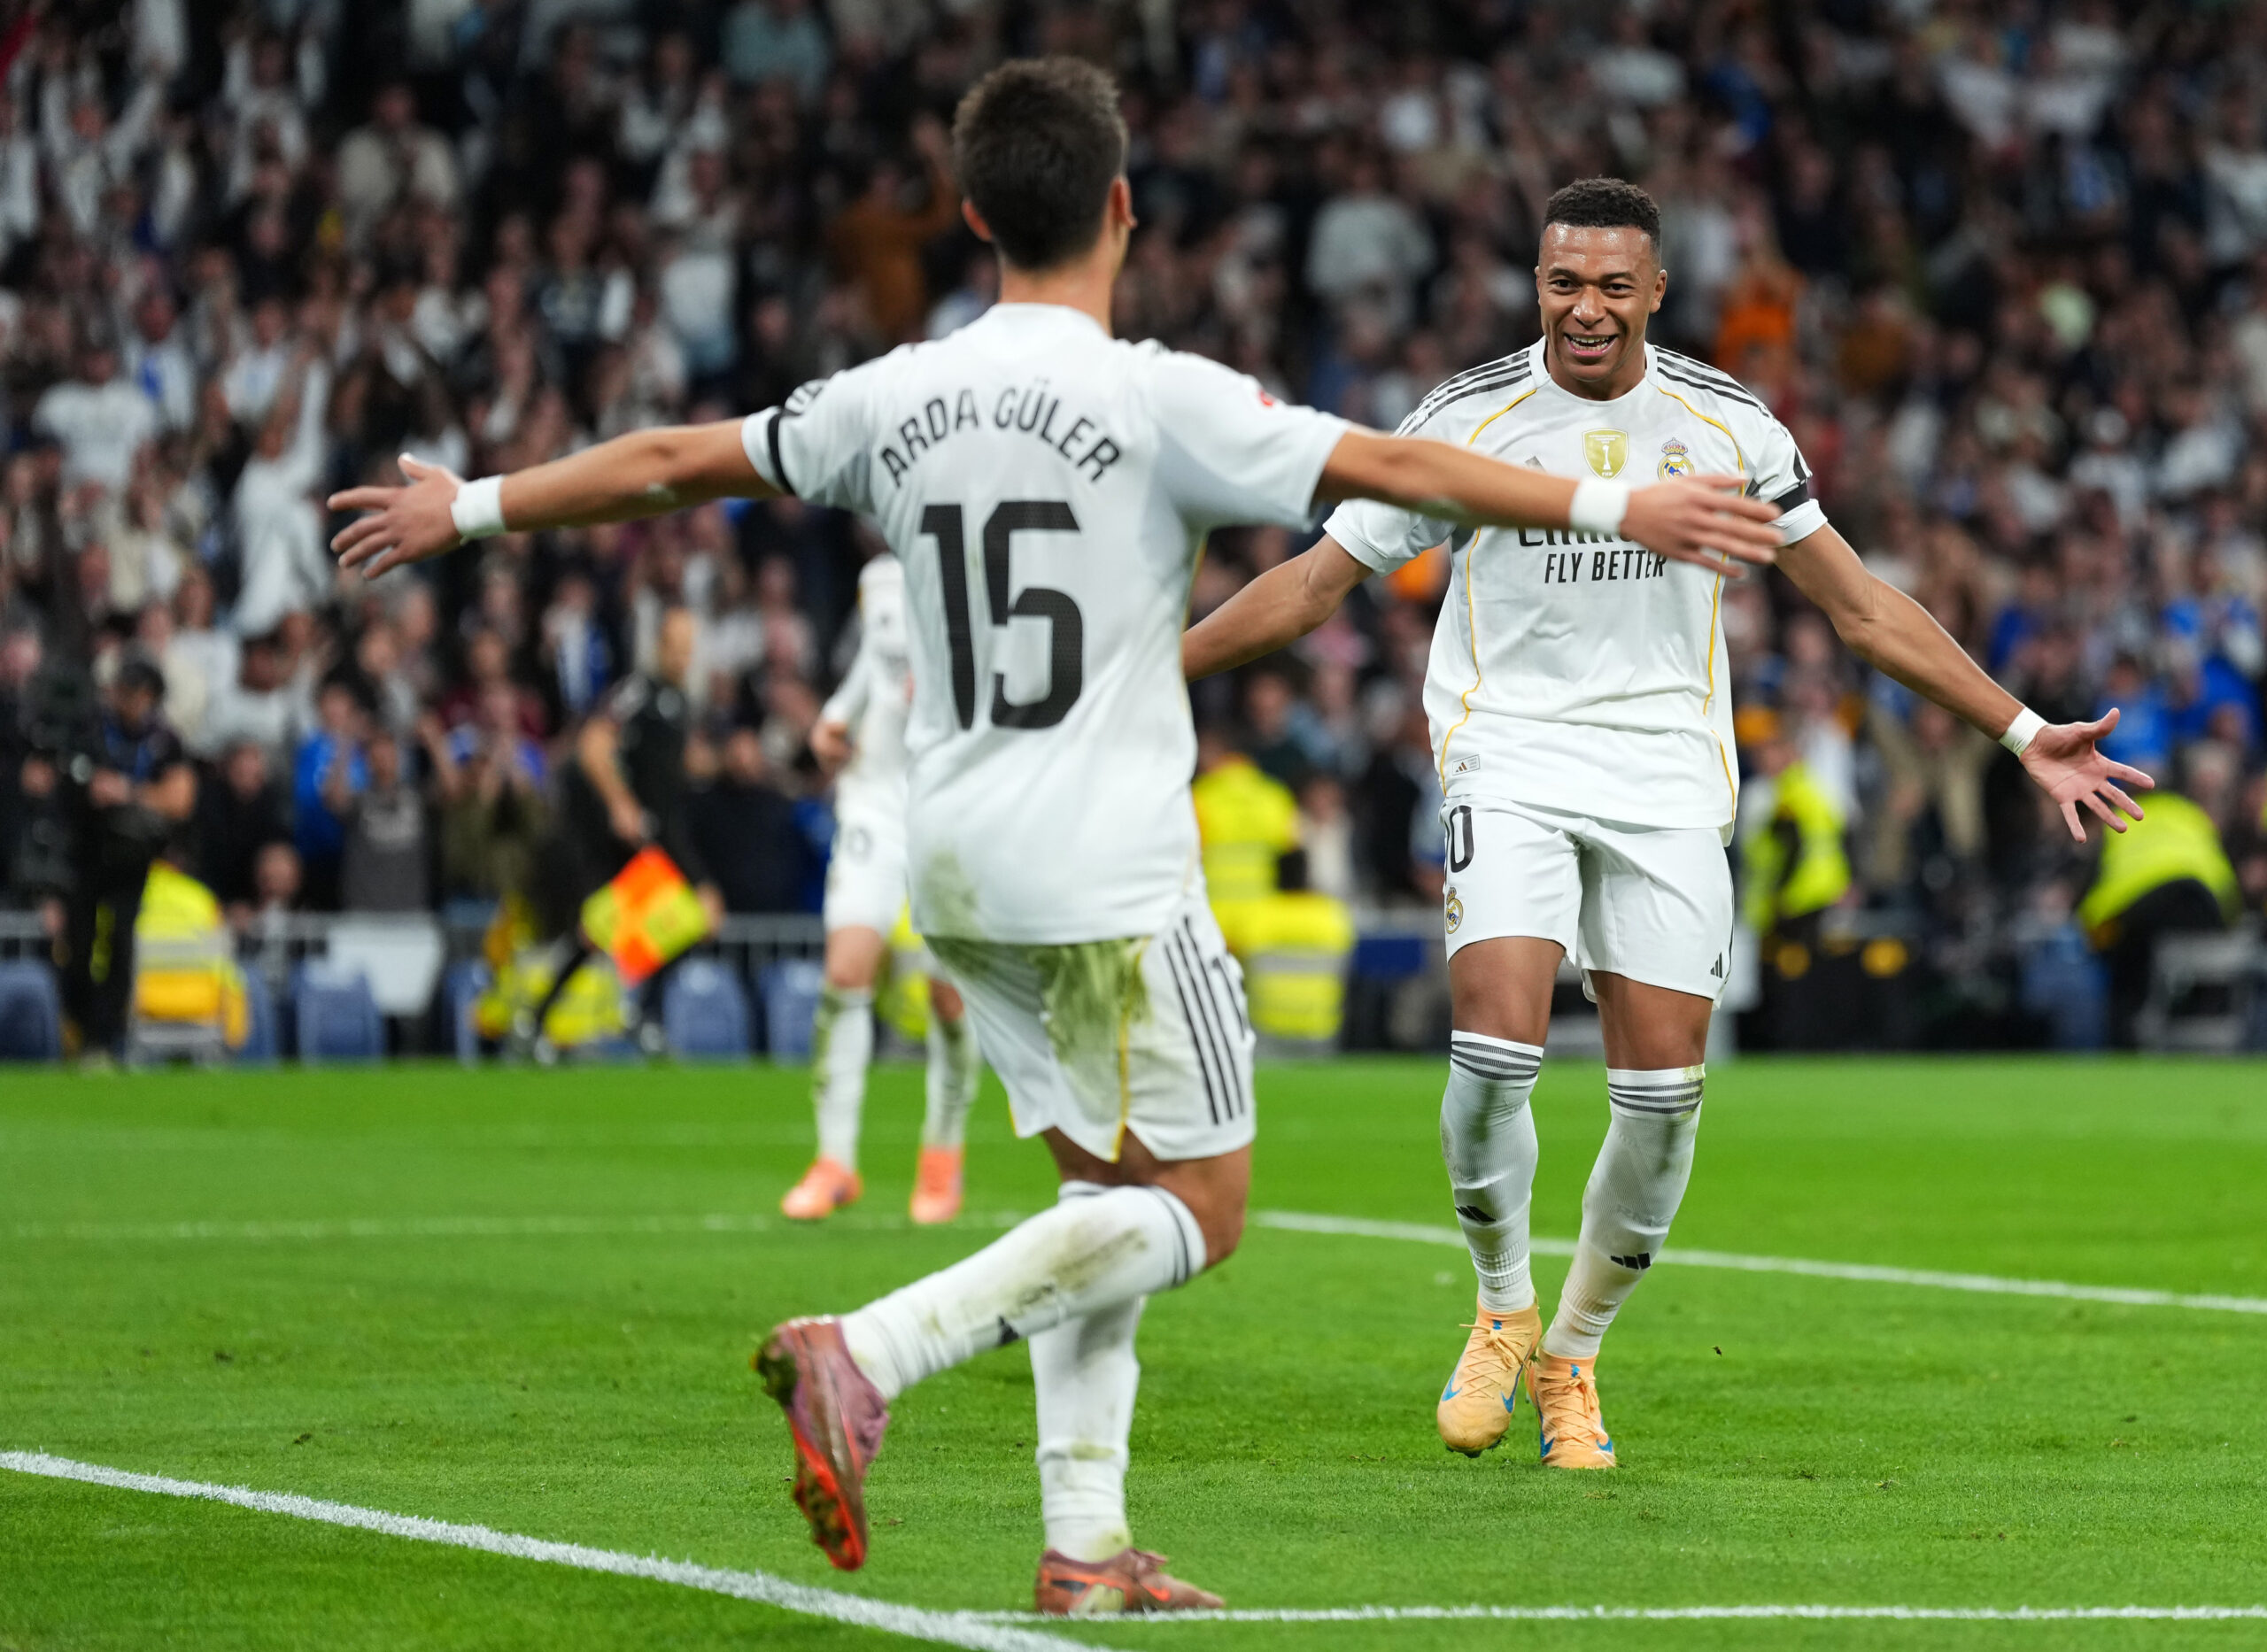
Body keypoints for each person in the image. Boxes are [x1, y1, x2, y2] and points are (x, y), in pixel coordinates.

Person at [325, 60, 1783, 1610]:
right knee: (1198, 1211)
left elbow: (677, 460)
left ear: (969, 217)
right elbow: (1402, 468)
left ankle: (1084, 1545)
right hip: (1105, 868)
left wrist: (470, 505)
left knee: (1104, 1199)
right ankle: (868, 1348)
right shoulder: (1160, 396)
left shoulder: (892, 391)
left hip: (948, 860)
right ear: (1121, 208)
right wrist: (1626, 512)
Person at [1183, 176, 2155, 1474]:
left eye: (1609, 284)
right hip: (1510, 754)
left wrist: (2024, 731)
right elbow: (1313, 584)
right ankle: (1500, 1304)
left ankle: (1573, 1355)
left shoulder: (1727, 425)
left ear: (1654, 290)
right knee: (1494, 1051)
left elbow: (1859, 609)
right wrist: (1154, 670)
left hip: (1666, 776)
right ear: (1538, 286)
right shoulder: (1467, 419)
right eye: (1561, 282)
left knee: (1661, 1096)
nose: (1584, 307)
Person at [784, 551, 983, 1227]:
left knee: (948, 996)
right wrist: (834, 719)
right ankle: (835, 1161)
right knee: (845, 972)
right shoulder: (879, 577)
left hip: (950, 806)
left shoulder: (985, 570)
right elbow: (871, 664)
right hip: (873, 800)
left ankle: (943, 1153)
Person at [522, 604, 723, 1054]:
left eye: (689, 647)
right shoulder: (640, 691)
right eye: (675, 645)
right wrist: (620, 803)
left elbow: (663, 763)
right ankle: (631, 1016)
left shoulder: (678, 702)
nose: (682, 655)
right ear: (659, 646)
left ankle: (557, 1019)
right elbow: (593, 743)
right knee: (690, 913)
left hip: (657, 836)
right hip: (624, 839)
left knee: (618, 932)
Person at [49, 657, 197, 1061]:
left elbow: (180, 799)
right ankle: (79, 1025)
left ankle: (105, 1038)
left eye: (135, 692)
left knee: (120, 943)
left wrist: (127, 792)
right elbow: (69, 776)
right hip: (88, 853)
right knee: (77, 945)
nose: (127, 700)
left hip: (133, 857)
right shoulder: (92, 730)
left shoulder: (165, 742)